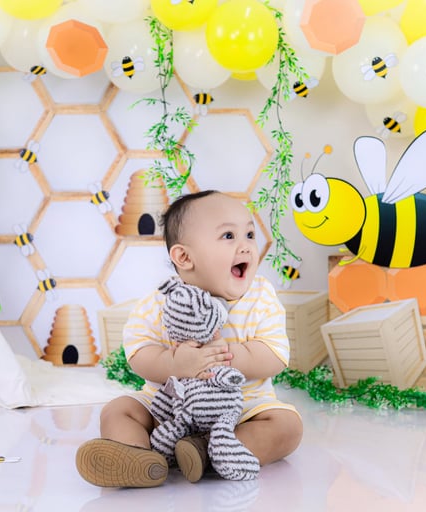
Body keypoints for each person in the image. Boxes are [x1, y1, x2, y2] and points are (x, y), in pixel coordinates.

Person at [76, 190, 303, 487]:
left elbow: (275, 354)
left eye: (249, 234)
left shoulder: (260, 296)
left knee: (288, 427)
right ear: (184, 257)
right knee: (118, 410)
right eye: (228, 236)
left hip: (241, 410)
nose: (246, 246)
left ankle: (207, 451)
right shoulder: (160, 301)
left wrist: (228, 356)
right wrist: (174, 363)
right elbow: (138, 353)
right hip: (168, 408)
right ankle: (137, 459)